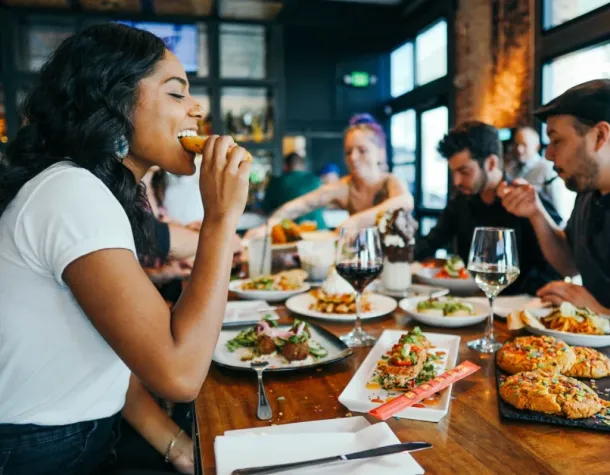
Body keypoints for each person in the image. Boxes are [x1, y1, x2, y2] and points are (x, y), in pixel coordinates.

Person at [0, 23, 250, 475]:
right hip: (38, 453)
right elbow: (179, 374)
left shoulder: (92, 189)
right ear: (113, 102)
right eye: (177, 94)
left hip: (80, 434)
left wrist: (176, 445)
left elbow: (113, 350)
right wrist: (221, 219)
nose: (197, 109)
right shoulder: (71, 192)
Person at [499, 79, 610, 313]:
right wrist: (535, 212)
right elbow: (570, 263)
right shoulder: (588, 194)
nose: (548, 155)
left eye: (556, 140)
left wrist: (597, 311)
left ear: (600, 136)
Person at [414, 121, 562, 296]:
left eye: (464, 171)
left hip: (518, 308)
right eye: (453, 172)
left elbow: (555, 267)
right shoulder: (460, 203)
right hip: (470, 303)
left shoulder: (527, 200)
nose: (456, 181)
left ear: (491, 163)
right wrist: (397, 252)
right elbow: (430, 243)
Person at [245, 113, 413, 237]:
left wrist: (356, 221)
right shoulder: (345, 187)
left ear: (380, 153)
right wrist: (267, 227)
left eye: (362, 150)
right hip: (364, 263)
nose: (353, 157)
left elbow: (405, 201)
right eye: (348, 151)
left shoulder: (390, 181)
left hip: (397, 265)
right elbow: (301, 205)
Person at [505, 126, 572, 218]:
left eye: (524, 145)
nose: (519, 149)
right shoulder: (510, 169)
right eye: (517, 144)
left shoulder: (547, 169)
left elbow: (558, 209)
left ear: (536, 147)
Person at [262, 152, 326, 229]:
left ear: (285, 166)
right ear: (303, 165)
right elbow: (323, 205)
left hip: (290, 231)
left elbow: (266, 208)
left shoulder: (276, 182)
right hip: (319, 229)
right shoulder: (316, 180)